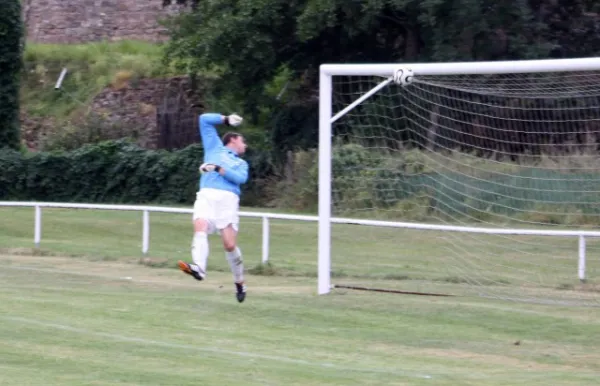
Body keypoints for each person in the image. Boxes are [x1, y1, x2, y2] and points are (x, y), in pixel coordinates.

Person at [178, 112, 249, 303]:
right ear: (233, 139)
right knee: (200, 226)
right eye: (243, 141)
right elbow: (203, 119)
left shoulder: (241, 163)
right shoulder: (214, 147)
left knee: (229, 244)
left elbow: (240, 179)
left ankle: (239, 282)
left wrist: (217, 169)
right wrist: (225, 119)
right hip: (208, 193)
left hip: (228, 199)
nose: (245, 145)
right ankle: (199, 268)